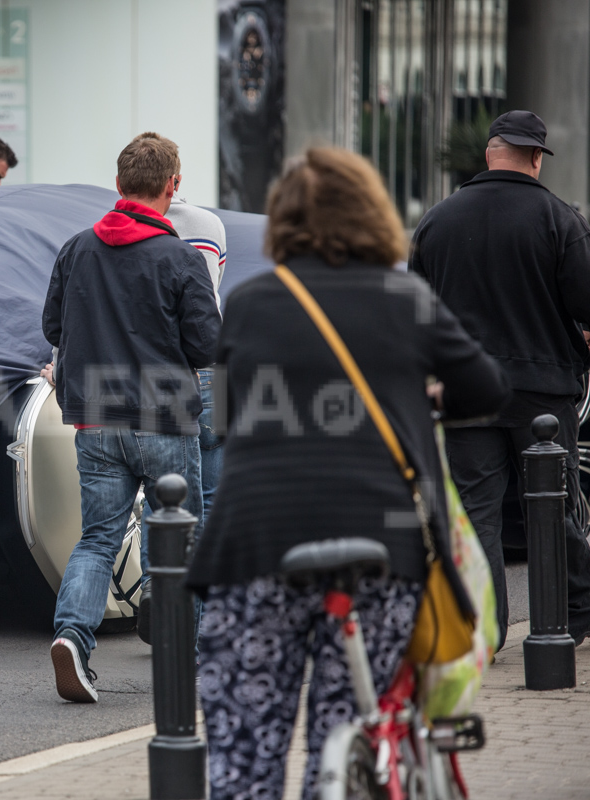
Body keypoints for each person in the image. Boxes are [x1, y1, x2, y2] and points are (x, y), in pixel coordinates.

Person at [185, 147, 509, 799]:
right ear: (371, 214)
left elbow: (223, 417)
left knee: (245, 753)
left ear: (283, 221)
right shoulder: (406, 298)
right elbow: (488, 388)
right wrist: (422, 400)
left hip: (256, 545)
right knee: (351, 723)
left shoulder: (248, 303)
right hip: (381, 548)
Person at [42, 132, 221, 702]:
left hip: (95, 419)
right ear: (173, 185)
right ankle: (183, 655)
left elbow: (53, 328)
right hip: (165, 419)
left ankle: (71, 638)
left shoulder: (75, 249)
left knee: (98, 538)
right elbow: (206, 346)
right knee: (179, 541)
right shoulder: (181, 257)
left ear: (118, 185)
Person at [410, 109, 590, 647]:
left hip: (465, 393)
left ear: (490, 153)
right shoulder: (560, 219)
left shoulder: (436, 222)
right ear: (536, 158)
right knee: (555, 503)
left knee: (476, 516)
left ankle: (484, 630)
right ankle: (572, 619)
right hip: (544, 393)